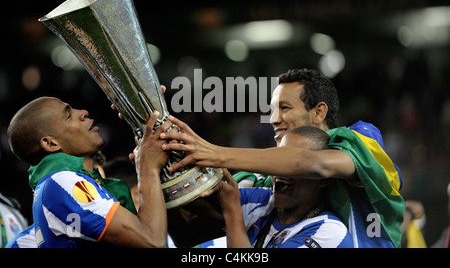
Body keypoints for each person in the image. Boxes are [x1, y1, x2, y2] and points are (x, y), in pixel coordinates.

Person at [160, 68, 405, 248]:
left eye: (285, 108)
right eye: (272, 110)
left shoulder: (360, 137)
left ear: (319, 111)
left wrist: (214, 153)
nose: (274, 119)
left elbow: (313, 163)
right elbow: (203, 206)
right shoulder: (268, 177)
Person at [7, 96, 169, 248]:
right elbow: (152, 241)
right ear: (50, 143)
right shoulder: (62, 183)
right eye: (69, 116)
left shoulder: (59, 185)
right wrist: (148, 169)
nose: (83, 113)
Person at [219, 126, 353, 248]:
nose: (280, 171)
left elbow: (230, 205)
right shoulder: (264, 199)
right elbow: (207, 201)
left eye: (293, 165)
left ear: (324, 180)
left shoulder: (330, 232)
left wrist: (232, 212)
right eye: (279, 161)